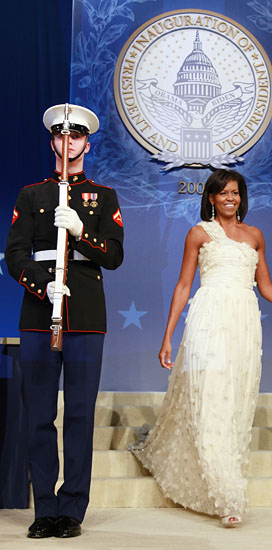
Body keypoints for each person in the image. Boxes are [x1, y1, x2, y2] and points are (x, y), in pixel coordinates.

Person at [131, 169, 272, 527]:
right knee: (208, 398)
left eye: (236, 192)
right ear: (210, 197)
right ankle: (227, 495)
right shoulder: (198, 233)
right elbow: (182, 286)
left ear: (242, 197)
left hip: (243, 323)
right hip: (207, 319)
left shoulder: (255, 236)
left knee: (234, 404)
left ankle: (224, 480)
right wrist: (167, 336)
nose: (230, 198)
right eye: (223, 192)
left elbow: (266, 286)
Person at [5, 104, 124, 538]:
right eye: (62, 135)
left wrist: (79, 232)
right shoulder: (31, 194)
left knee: (78, 414)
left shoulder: (103, 196)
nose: (69, 142)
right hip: (39, 314)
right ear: (54, 141)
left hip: (87, 316)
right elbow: (14, 255)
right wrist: (42, 285)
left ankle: (72, 509)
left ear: (86, 144)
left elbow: (113, 256)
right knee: (38, 413)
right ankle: (45, 509)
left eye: (77, 136)